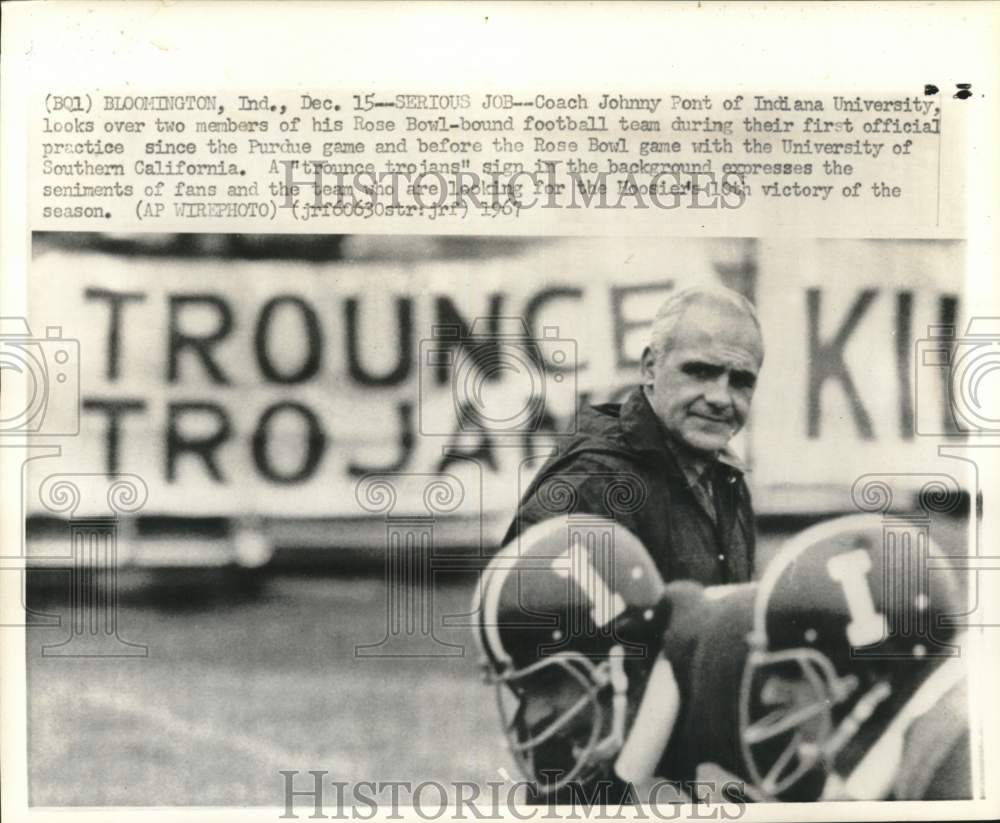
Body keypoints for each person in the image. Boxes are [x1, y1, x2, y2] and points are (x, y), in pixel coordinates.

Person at [503, 284, 765, 585]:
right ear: (650, 368)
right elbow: (520, 615)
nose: (720, 397)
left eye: (741, 381)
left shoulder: (724, 474)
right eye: (700, 371)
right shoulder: (593, 484)